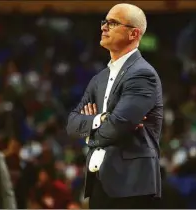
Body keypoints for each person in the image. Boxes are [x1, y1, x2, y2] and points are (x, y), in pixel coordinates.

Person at [66, 3, 163, 209]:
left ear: (133, 33)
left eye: (113, 23)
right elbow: (72, 123)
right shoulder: (99, 79)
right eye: (104, 22)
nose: (104, 27)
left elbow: (118, 124)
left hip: (132, 183)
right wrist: (101, 119)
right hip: (100, 181)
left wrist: (90, 131)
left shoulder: (142, 74)